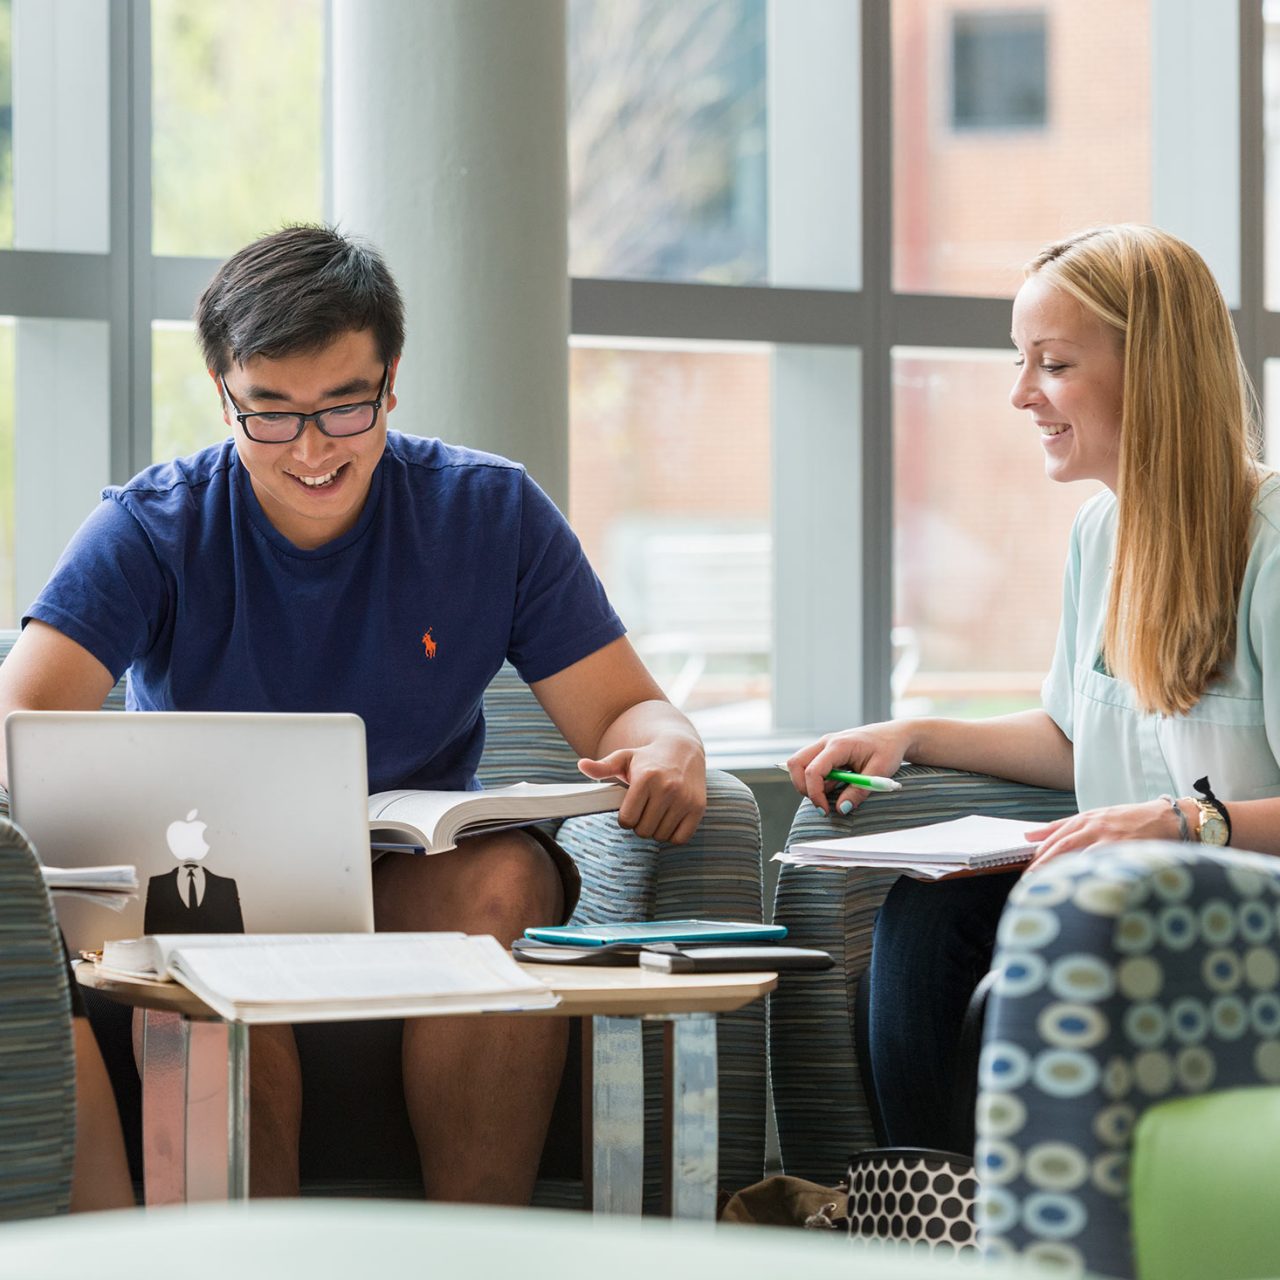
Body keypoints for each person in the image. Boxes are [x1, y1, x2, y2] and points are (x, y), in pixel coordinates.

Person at [0, 224, 706, 1203]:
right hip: (215, 899)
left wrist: (668, 747)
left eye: (345, 407)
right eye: (272, 415)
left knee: (506, 874)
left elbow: (626, 708)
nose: (313, 448)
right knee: (219, 922)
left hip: (409, 885)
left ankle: (474, 1258)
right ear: (225, 396)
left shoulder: (487, 511)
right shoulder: (152, 526)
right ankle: (260, 1263)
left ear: (391, 379)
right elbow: (23, 724)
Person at [785, 224, 1280, 1154]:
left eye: (1051, 364)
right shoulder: (1102, 536)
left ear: (1157, 371)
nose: (1022, 395)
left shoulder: (1274, 545)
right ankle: (939, 1226)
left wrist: (1182, 822)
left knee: (1031, 977)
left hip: (1246, 906)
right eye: (1023, 362)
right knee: (925, 920)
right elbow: (1077, 739)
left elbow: (1175, 798)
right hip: (1131, 892)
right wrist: (914, 733)